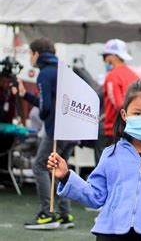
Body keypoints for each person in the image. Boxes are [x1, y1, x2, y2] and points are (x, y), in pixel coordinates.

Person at [47, 80, 141, 240]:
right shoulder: (111, 154)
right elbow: (95, 196)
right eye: (138, 113)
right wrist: (65, 176)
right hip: (109, 234)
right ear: (124, 115)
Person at [11, 37, 76, 229]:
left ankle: (47, 213)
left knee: (40, 165)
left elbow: (45, 108)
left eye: (30, 54)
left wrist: (37, 105)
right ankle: (65, 215)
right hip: (71, 128)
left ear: (36, 54)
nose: (30, 58)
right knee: (61, 169)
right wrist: (26, 95)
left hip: (56, 129)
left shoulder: (45, 73)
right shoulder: (64, 70)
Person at [97, 39, 139, 162]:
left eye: (105, 56)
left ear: (113, 56)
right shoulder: (133, 75)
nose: (104, 60)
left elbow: (118, 104)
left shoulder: (112, 75)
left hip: (111, 130)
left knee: (104, 170)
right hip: (130, 131)